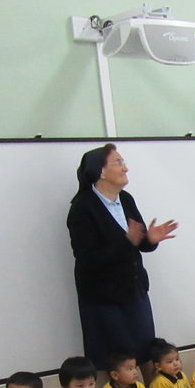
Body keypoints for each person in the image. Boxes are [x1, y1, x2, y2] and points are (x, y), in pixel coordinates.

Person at [67, 144, 178, 375]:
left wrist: (150, 239)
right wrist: (127, 242)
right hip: (103, 299)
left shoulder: (126, 199)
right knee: (114, 358)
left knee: (146, 351)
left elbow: (137, 243)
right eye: (118, 162)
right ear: (100, 171)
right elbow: (88, 259)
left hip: (134, 290)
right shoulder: (82, 208)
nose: (125, 168)